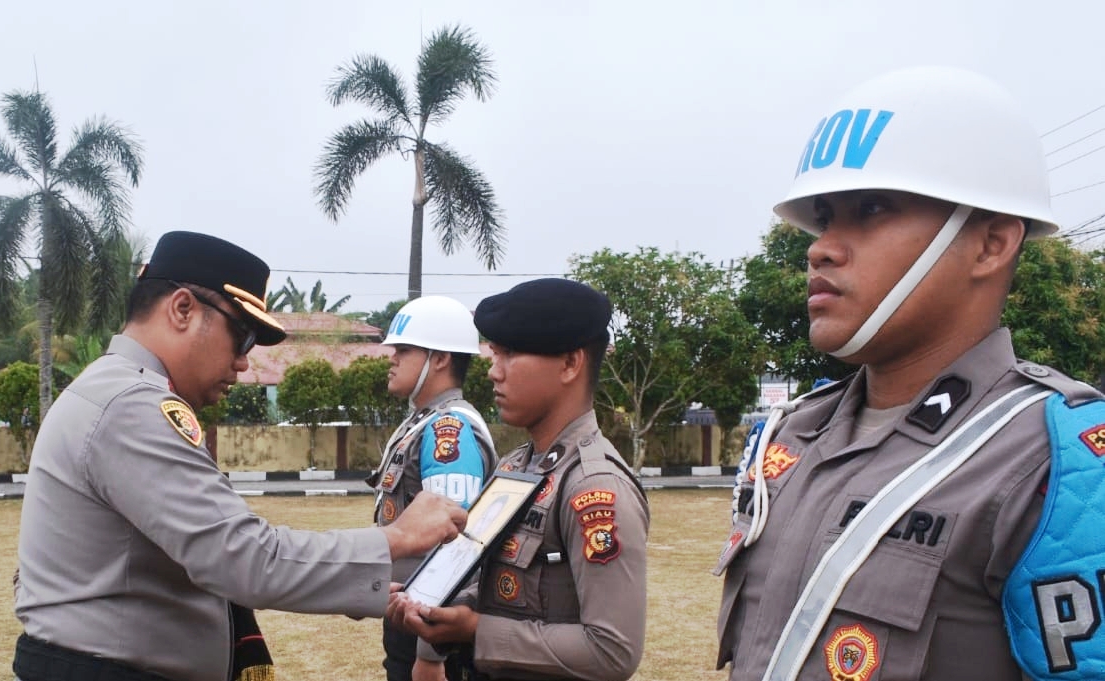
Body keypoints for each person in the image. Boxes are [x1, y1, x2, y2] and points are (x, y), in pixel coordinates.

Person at [715, 66, 1105, 681]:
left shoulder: (1056, 462)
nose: (820, 247)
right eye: (825, 217)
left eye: (871, 209)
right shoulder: (794, 434)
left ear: (991, 244)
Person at [12, 231, 468, 681]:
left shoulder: (112, 388)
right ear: (183, 309)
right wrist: (397, 537)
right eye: (241, 337)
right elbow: (245, 557)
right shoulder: (132, 404)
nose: (244, 362)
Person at [389, 278, 650, 681]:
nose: (493, 372)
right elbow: (496, 582)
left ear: (570, 364)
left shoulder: (594, 486)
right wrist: (442, 611)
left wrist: (477, 631)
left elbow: (613, 650)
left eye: (509, 354)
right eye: (494, 354)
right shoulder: (516, 467)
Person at [370, 295, 497, 681]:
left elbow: (456, 545)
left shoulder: (449, 430)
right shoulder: (422, 421)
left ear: (440, 358)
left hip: (431, 627)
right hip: (410, 614)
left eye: (404, 350)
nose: (392, 358)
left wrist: (430, 654)